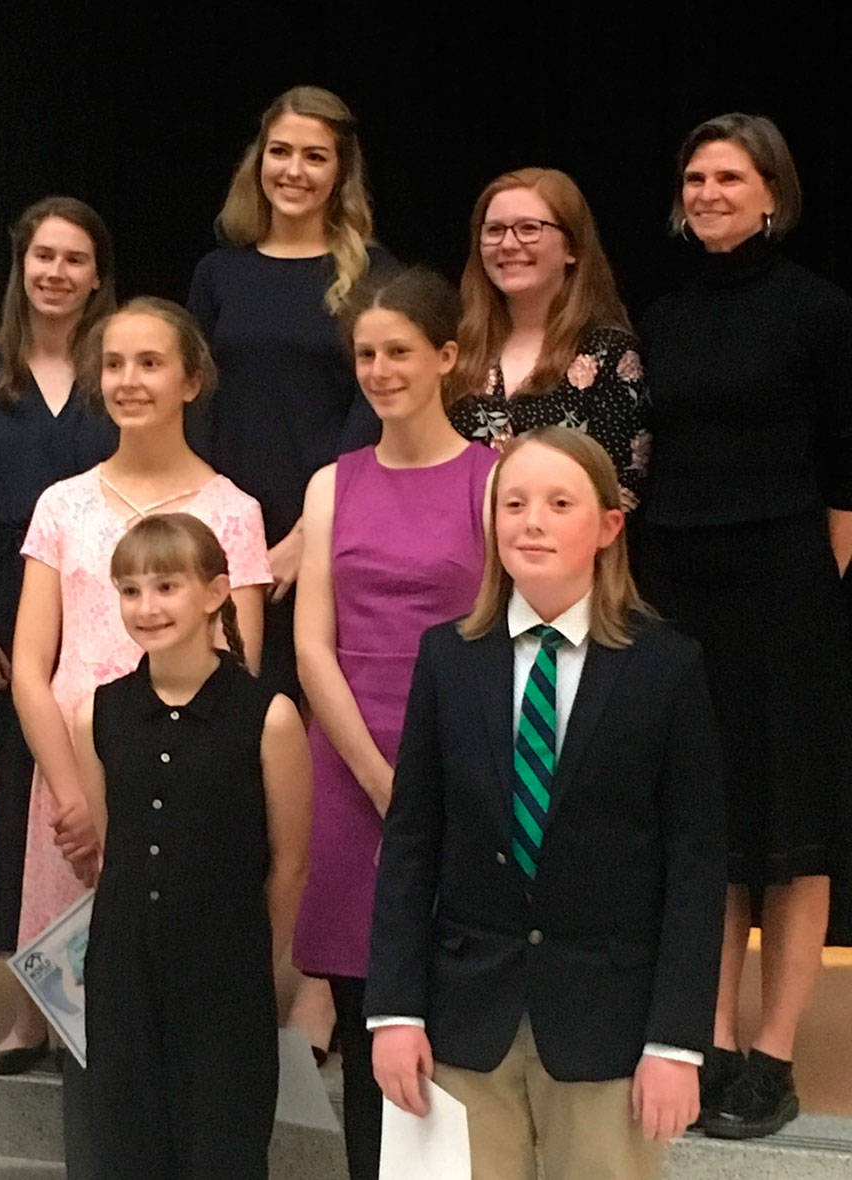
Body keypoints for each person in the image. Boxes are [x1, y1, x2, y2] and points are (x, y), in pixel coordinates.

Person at [366, 427, 724, 1180]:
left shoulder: (666, 668)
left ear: (608, 526)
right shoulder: (448, 659)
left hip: (608, 1026)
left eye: (560, 503)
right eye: (514, 503)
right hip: (464, 1020)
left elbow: (695, 868)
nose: (531, 521)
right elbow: (410, 844)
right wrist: (394, 1010)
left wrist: (676, 1042)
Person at [7, 298, 271, 1177]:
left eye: (150, 363)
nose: (129, 380)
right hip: (76, 782)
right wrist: (77, 793)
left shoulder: (233, 510)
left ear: (191, 379)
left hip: (185, 804)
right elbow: (29, 666)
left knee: (187, 1046)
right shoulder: (62, 503)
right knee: (100, 1027)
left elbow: (238, 675)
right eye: (113, 363)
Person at [639, 112, 852, 1139]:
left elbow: (845, 466)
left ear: (772, 192)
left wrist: (809, 580)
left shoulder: (818, 310)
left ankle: (772, 1059)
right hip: (679, 585)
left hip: (783, 589)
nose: (708, 191)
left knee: (789, 835)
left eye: (728, 176)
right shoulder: (663, 316)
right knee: (709, 830)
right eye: (693, 177)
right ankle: (711, 1037)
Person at [187, 82, 394, 1061]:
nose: (293, 170)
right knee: (233, 763)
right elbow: (194, 401)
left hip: (330, 546)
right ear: (256, 160)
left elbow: (373, 413)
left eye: (314, 155)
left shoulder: (370, 275)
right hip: (222, 547)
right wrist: (221, 542)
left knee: (317, 770)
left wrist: (296, 543)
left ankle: (315, 980)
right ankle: (243, 968)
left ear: (339, 170)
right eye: (279, 151)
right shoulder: (218, 274)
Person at [291, 267, 496, 1179]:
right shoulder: (332, 483)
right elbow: (310, 651)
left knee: (456, 1016)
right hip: (346, 763)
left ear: (447, 358)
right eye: (366, 354)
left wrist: (431, 783)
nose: (379, 369)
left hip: (467, 764)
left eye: (399, 352)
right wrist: (380, 779)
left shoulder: (494, 483)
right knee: (367, 1004)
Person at [74, 514, 310, 1178]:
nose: (146, 607)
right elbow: (110, 845)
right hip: (123, 969)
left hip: (226, 973)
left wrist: (257, 961)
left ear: (214, 593)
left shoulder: (268, 714)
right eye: (130, 590)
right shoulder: (99, 712)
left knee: (222, 1153)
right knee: (128, 1151)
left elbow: (290, 861)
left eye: (166, 587)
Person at [0, 197, 117, 1000]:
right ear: (20, 267)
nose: (56, 273)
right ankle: (23, 1003)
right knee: (12, 804)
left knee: (105, 789)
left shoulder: (122, 367)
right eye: (43, 256)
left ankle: (103, 983)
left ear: (98, 277)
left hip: (112, 608)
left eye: (75, 259)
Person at [447, 167, 650, 511]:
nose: (509, 244)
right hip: (458, 556)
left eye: (529, 228)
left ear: (571, 247)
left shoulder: (609, 355)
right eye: (494, 230)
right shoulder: (453, 348)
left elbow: (618, 493)